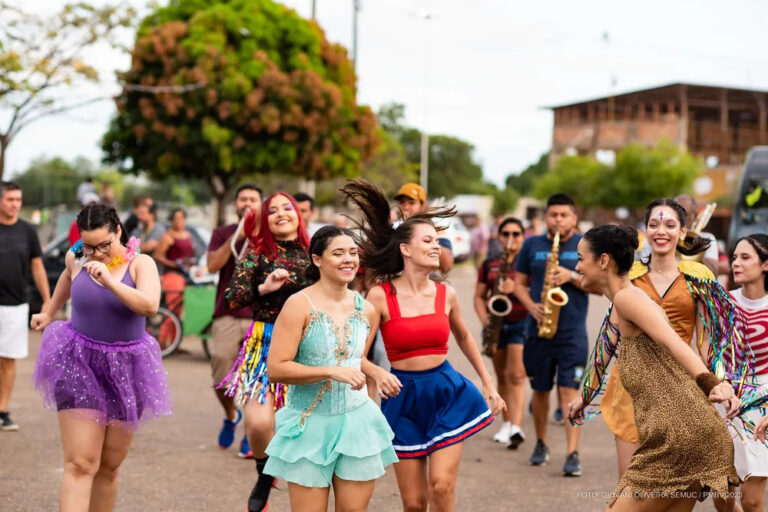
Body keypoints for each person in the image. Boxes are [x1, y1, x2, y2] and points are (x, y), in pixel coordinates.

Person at [341, 180, 505, 511]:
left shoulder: (447, 294)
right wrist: (377, 371)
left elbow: (464, 337)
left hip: (447, 393)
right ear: (405, 249)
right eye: (428, 240)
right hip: (402, 399)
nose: (436, 247)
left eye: (437, 240)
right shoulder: (379, 296)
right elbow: (353, 353)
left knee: (441, 487)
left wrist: (489, 384)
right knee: (414, 503)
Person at [568, 224, 740, 511]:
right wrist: (584, 395)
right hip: (688, 433)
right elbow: (605, 348)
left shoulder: (628, 298)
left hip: (678, 438)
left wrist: (713, 383)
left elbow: (675, 342)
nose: (577, 266)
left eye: (581, 258)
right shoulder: (624, 301)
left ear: (603, 261)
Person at [30, 204, 171, 510]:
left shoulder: (140, 263)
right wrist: (49, 311)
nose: (95, 253)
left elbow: (148, 306)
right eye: (89, 245)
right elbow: (67, 278)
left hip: (128, 368)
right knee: (81, 464)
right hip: (79, 361)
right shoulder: (77, 255)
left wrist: (110, 281)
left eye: (103, 245)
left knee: (108, 466)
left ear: (118, 231)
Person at [600, 198, 740, 480]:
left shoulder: (699, 277)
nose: (660, 231)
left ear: (683, 231)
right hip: (631, 386)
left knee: (682, 484)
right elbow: (610, 335)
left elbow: (706, 343)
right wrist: (586, 391)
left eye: (669, 224)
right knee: (630, 485)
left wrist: (721, 381)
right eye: (653, 224)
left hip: (680, 383)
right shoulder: (629, 276)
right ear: (645, 230)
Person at [264, 225, 400, 511]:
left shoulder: (367, 309)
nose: (348, 259)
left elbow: (354, 358)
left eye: (353, 253)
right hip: (309, 425)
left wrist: (376, 371)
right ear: (317, 259)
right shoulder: (298, 305)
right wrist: (329, 371)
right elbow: (276, 369)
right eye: (338, 253)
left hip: (357, 423)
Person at [218, 191, 312, 512]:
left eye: (288, 208)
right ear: (264, 220)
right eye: (273, 210)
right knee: (258, 424)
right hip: (264, 343)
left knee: (308, 431)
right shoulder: (257, 254)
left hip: (309, 345)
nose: (281, 213)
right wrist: (263, 288)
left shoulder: (317, 253)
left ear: (299, 214)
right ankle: (264, 474)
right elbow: (231, 298)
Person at [513, 193, 589, 476]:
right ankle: (541, 443)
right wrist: (531, 305)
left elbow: (597, 285)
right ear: (546, 217)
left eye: (564, 215)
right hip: (538, 329)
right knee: (541, 390)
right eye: (553, 215)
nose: (558, 220)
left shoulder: (586, 245)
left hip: (572, 332)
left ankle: (572, 452)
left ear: (574, 218)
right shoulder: (531, 244)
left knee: (570, 391)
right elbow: (519, 283)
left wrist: (571, 276)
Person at [206, 184, 262, 458]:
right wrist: (237, 235)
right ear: (236, 204)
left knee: (255, 379)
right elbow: (212, 266)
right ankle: (231, 415)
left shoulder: (268, 234)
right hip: (226, 312)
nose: (248, 203)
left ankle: (252, 433)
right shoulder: (223, 233)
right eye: (243, 199)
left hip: (258, 315)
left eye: (253, 199)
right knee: (221, 373)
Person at [0, 181, 51, 431]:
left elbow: (37, 267)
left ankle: (2, 410)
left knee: (8, 359)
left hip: (16, 305)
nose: (14, 204)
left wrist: (48, 301)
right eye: (10, 199)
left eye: (18, 200)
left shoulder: (27, 231)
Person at [474, 217, 528, 448]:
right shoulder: (489, 264)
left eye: (516, 234)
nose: (510, 238)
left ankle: (516, 427)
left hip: (521, 323)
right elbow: (479, 296)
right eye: (506, 234)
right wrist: (485, 319)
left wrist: (516, 288)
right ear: (499, 236)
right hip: (496, 325)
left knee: (516, 374)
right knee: (502, 376)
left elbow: (536, 294)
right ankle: (507, 424)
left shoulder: (527, 265)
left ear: (522, 237)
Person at [723, 234, 768, 512]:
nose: (735, 263)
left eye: (745, 257)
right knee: (723, 499)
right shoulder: (723, 303)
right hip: (724, 400)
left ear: (765, 265)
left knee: (751, 502)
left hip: (763, 404)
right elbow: (710, 354)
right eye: (734, 257)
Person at [153, 208, 197, 346]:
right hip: (172, 275)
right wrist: (173, 264)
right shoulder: (168, 236)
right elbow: (158, 256)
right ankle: (163, 341)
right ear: (172, 220)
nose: (179, 221)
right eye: (176, 218)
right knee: (172, 309)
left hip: (187, 275)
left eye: (181, 218)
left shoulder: (188, 235)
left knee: (179, 311)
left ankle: (174, 342)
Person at [394, 182, 454, 274]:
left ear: (423, 205)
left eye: (411, 203)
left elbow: (447, 266)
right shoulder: (394, 228)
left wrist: (428, 235)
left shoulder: (436, 229)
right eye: (402, 203)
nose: (405, 207)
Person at [674, 194, 719, 276]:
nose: (681, 218)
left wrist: (699, 249)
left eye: (685, 214)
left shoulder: (707, 238)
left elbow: (714, 273)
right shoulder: (666, 237)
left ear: (694, 216)